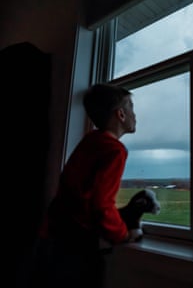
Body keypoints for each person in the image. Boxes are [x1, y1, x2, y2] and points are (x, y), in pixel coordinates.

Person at [32, 83, 139, 288]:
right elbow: (101, 204)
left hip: (52, 234)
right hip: (76, 245)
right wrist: (123, 234)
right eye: (131, 107)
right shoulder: (115, 151)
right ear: (121, 115)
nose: (136, 114)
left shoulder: (90, 141)